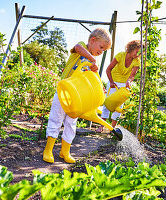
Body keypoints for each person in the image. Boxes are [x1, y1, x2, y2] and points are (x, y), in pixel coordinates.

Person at [43, 28, 112, 164]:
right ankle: (48, 149)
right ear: (93, 40)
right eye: (101, 47)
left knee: (71, 123)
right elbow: (77, 47)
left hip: (77, 98)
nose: (101, 52)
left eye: (104, 51)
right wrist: (92, 59)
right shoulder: (81, 49)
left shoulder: (91, 66)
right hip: (63, 91)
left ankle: (65, 151)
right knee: (56, 119)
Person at [96, 40, 144, 133]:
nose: (137, 55)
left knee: (119, 106)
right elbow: (108, 69)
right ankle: (101, 126)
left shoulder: (137, 61)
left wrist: (129, 82)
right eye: (136, 52)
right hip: (113, 82)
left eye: (139, 53)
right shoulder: (120, 55)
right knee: (107, 104)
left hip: (123, 84)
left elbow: (132, 75)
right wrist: (111, 82)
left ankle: (112, 129)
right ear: (132, 48)